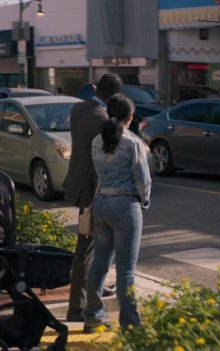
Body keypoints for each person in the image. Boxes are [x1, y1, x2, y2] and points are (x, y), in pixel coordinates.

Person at [83, 94, 151, 333]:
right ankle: (130, 325)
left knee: (99, 263)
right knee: (125, 270)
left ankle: (92, 316)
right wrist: (144, 201)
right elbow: (143, 181)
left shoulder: (96, 141)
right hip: (125, 207)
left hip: (100, 204)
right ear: (130, 117)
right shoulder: (133, 143)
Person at [61, 73, 123, 323]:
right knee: (87, 249)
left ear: (98, 89)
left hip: (78, 184)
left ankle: (94, 288)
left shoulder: (78, 110)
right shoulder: (103, 120)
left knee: (97, 247)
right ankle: (77, 306)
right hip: (93, 190)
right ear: (113, 97)